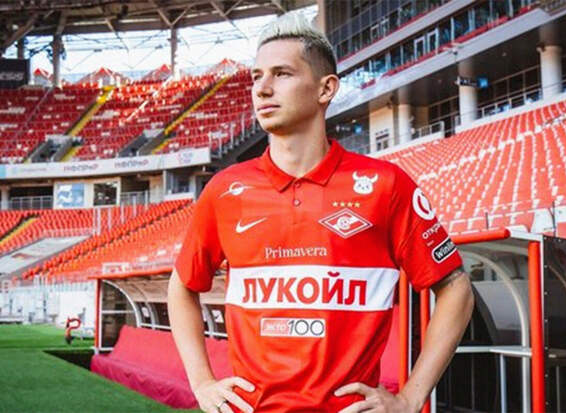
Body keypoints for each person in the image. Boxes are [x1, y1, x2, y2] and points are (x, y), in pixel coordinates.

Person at [168, 11, 474, 413]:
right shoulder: (225, 190)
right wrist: (202, 382)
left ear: (326, 88)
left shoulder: (385, 185)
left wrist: (411, 398)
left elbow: (456, 288)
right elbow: (182, 286)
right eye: (256, 76)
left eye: (282, 74)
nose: (262, 89)